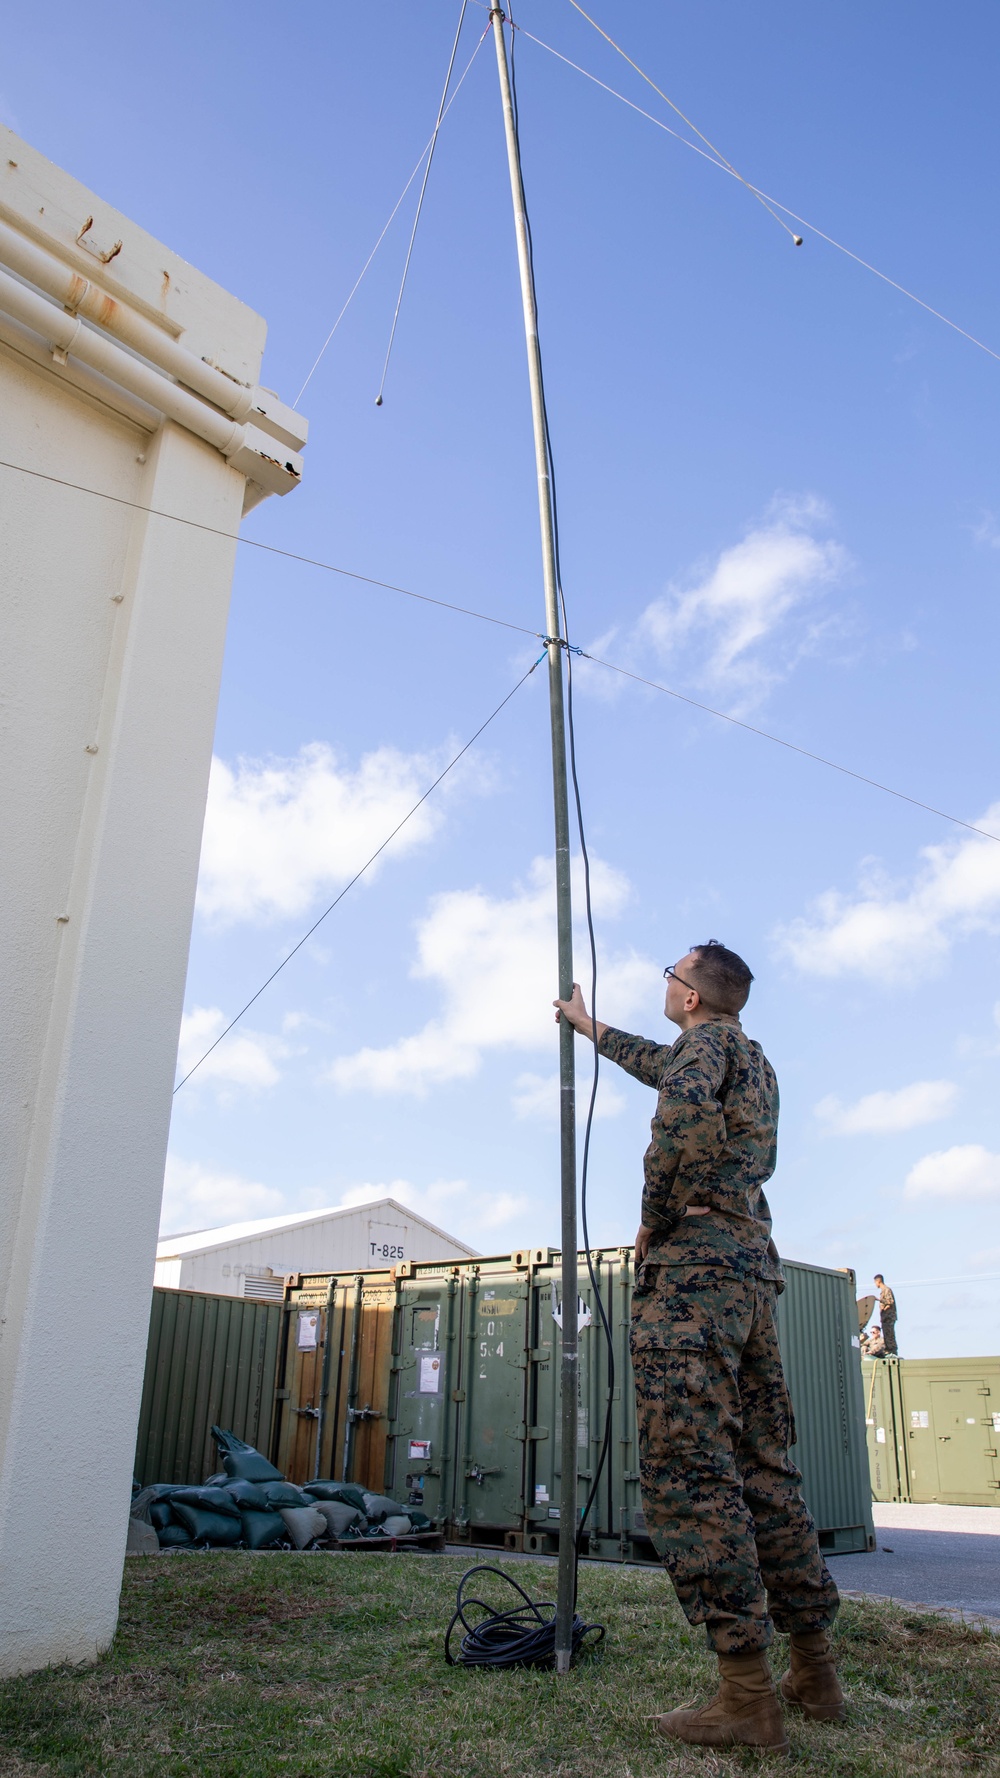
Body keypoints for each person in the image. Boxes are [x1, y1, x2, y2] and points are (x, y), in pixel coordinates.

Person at [555, 941, 844, 1751]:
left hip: (695, 1275)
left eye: (670, 976)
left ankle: (747, 1698)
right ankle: (815, 1673)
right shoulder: (747, 1055)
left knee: (690, 1469)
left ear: (688, 997)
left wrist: (653, 1215)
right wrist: (591, 1028)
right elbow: (670, 1068)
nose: (667, 984)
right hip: (752, 1271)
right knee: (764, 1470)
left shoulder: (700, 1052)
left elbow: (678, 1121)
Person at [874, 1275, 897, 1355]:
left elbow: (890, 1302)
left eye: (875, 1282)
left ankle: (892, 1352)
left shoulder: (886, 1290)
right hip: (885, 1318)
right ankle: (889, 1351)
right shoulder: (883, 1291)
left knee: (889, 1336)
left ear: (878, 1281)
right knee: (887, 1336)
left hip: (889, 1317)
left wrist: (879, 1300)